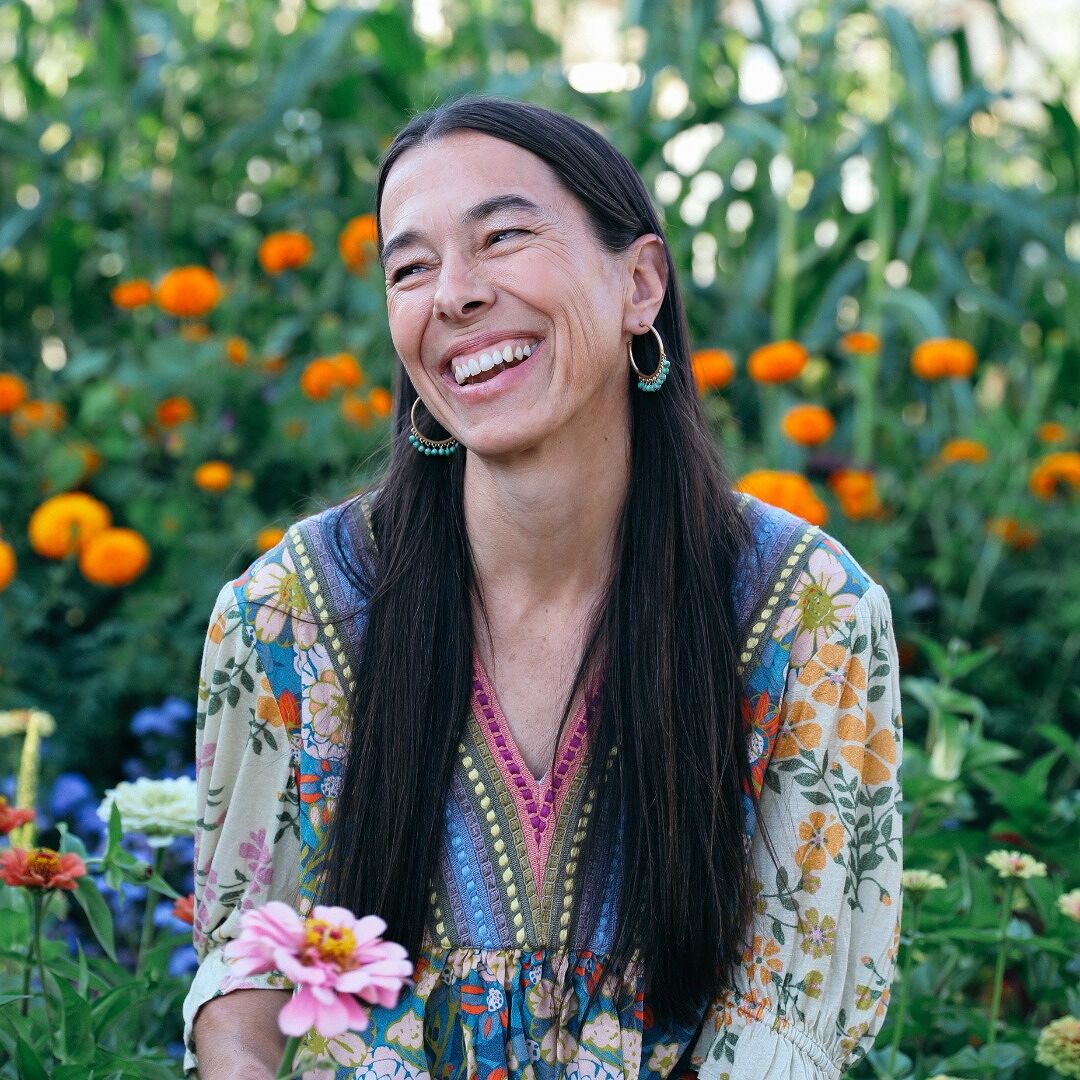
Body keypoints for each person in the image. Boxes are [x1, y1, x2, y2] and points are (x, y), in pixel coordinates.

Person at [183, 95, 903, 1080]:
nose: (455, 294)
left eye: (504, 237)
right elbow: (248, 972)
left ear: (640, 283)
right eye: (411, 267)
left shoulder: (802, 615)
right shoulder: (296, 615)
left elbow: (783, 1024)